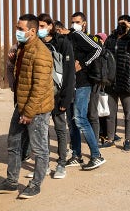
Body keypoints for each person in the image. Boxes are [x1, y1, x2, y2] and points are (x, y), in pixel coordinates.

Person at [0, 14, 54, 199]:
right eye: (16, 28)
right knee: (13, 143)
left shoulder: (41, 53)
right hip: (22, 105)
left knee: (39, 149)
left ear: (32, 31)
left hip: (37, 109)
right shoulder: (23, 48)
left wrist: (29, 112)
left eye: (20, 29)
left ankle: (35, 184)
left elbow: (39, 87)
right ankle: (11, 182)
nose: (17, 32)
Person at [36, 14, 76, 179]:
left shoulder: (62, 43)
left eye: (43, 26)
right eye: (38, 26)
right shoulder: (36, 43)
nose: (40, 29)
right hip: (41, 95)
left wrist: (66, 98)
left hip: (58, 95)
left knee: (60, 129)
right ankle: (44, 165)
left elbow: (69, 72)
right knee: (42, 130)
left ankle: (61, 163)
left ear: (50, 26)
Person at [66, 11, 106, 170]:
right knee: (72, 121)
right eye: (72, 21)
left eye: (77, 22)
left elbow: (98, 49)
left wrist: (83, 63)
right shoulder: (72, 37)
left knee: (80, 118)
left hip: (83, 84)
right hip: (71, 85)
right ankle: (76, 155)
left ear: (84, 23)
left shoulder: (83, 36)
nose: (74, 24)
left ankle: (96, 155)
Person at [101, 15, 130, 151]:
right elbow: (104, 55)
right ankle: (111, 139)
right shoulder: (112, 38)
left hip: (126, 80)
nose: (121, 26)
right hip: (112, 82)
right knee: (110, 113)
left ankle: (127, 140)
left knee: (128, 114)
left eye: (124, 23)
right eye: (120, 23)